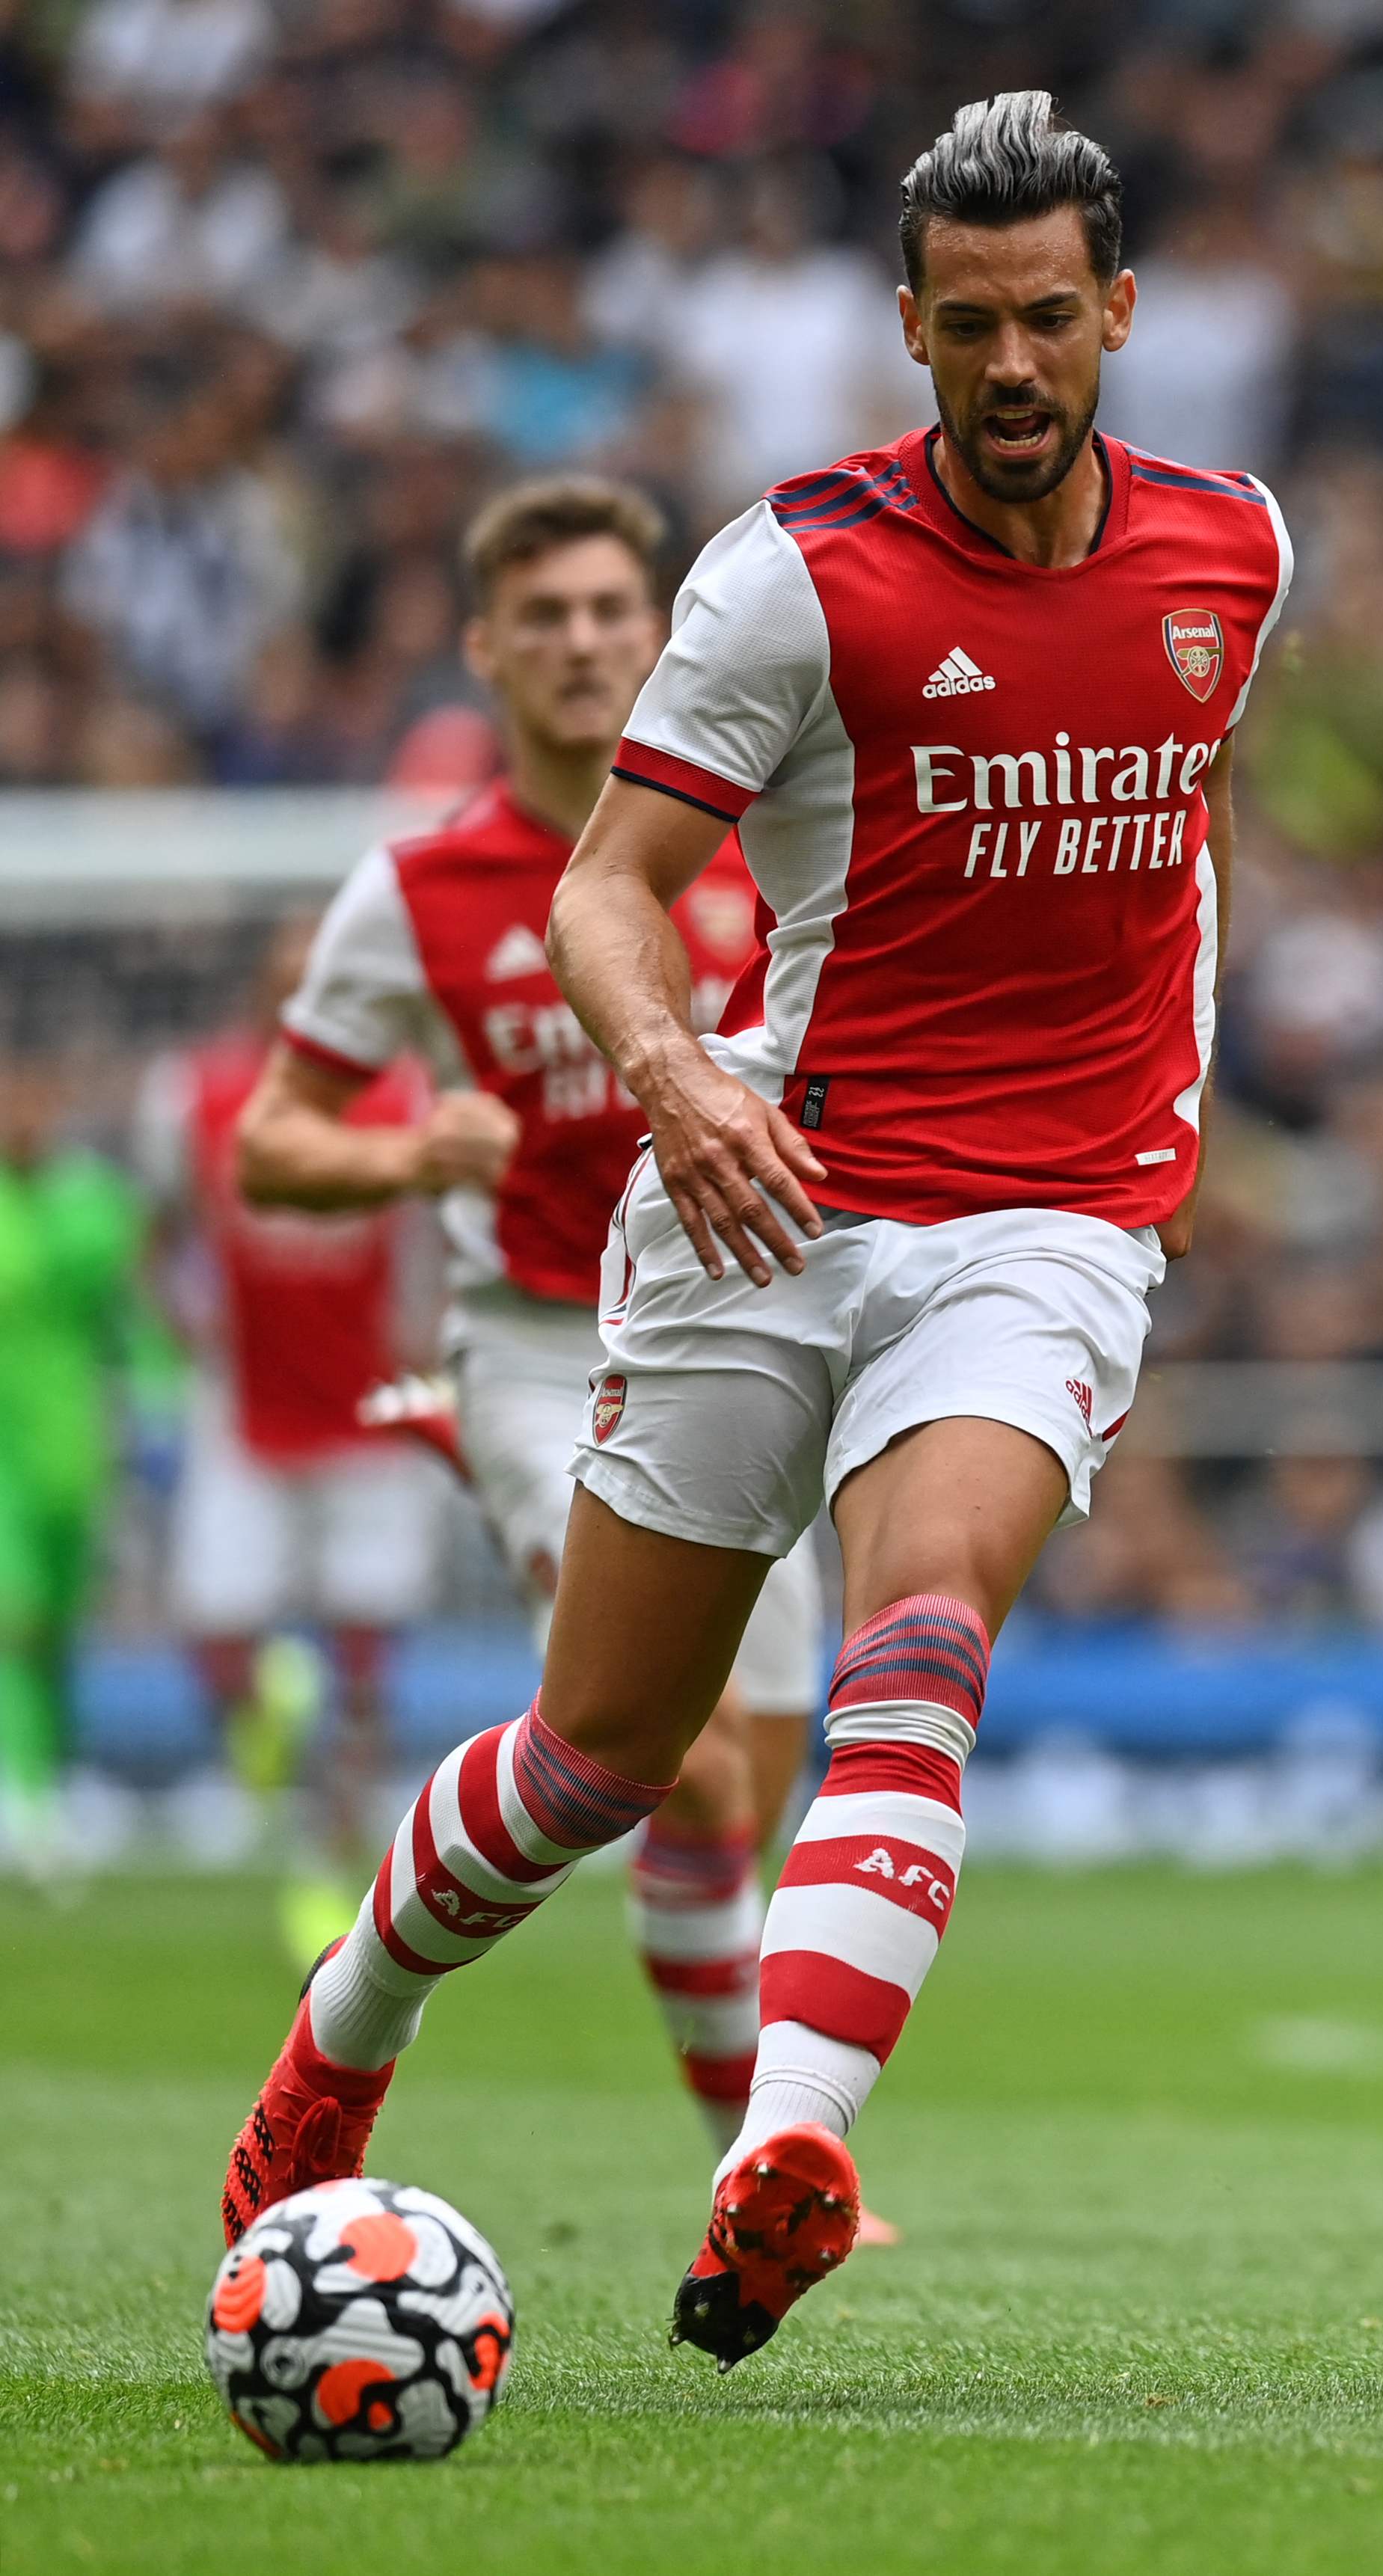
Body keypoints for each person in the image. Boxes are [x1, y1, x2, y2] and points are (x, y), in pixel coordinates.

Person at [218, 91, 1291, 2373]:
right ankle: (347, 2026)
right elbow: (609, 885)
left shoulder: (1234, 555)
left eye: (1051, 321)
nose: (1013, 367)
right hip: (763, 1197)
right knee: (607, 1754)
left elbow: (1179, 850)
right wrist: (686, 1082)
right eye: (968, 324)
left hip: (1046, 1219)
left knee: (926, 1625)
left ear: (1122, 314)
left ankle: (784, 2149)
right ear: (908, 327)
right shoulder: (793, 569)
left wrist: (1160, 1134)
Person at [238, 473, 839, 2143]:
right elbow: (276, 1145)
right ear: (485, 650)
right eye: (548, 619)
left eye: (609, 613)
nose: (584, 644)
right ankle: (769, 2168)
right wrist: (406, 1153)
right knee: (685, 1764)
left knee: (742, 1799)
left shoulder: (758, 841)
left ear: (660, 640)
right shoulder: (417, 897)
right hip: (537, 1343)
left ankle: (750, 2143)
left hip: (737, 1320)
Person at [138, 937, 445, 1951]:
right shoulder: (198, 1099)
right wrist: (186, 1322)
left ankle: (334, 1834)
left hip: (364, 1409)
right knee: (214, 1624)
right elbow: (160, 1233)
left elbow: (440, 1239)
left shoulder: (403, 1100)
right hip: (247, 1406)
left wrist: (429, 1340)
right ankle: (275, 1722)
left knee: (366, 1641)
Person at [0, 1056, 153, 1881]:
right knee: (14, 1618)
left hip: (72, 1443)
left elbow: (128, 1314)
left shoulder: (91, 1206)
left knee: (57, 1626)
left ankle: (52, 1783)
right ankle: (24, 1797)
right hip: (2, 1452)